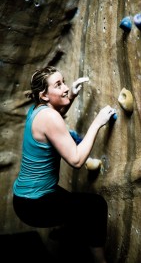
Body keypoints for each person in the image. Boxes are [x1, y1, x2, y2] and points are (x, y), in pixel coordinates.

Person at [12, 66, 116, 263]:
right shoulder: (50, 117)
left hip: (26, 197)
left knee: (77, 210)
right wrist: (98, 122)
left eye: (64, 82)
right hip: (35, 204)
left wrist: (71, 97)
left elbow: (54, 124)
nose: (66, 87)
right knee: (96, 206)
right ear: (44, 95)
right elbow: (76, 160)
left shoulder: (37, 110)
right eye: (58, 85)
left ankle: (66, 231)